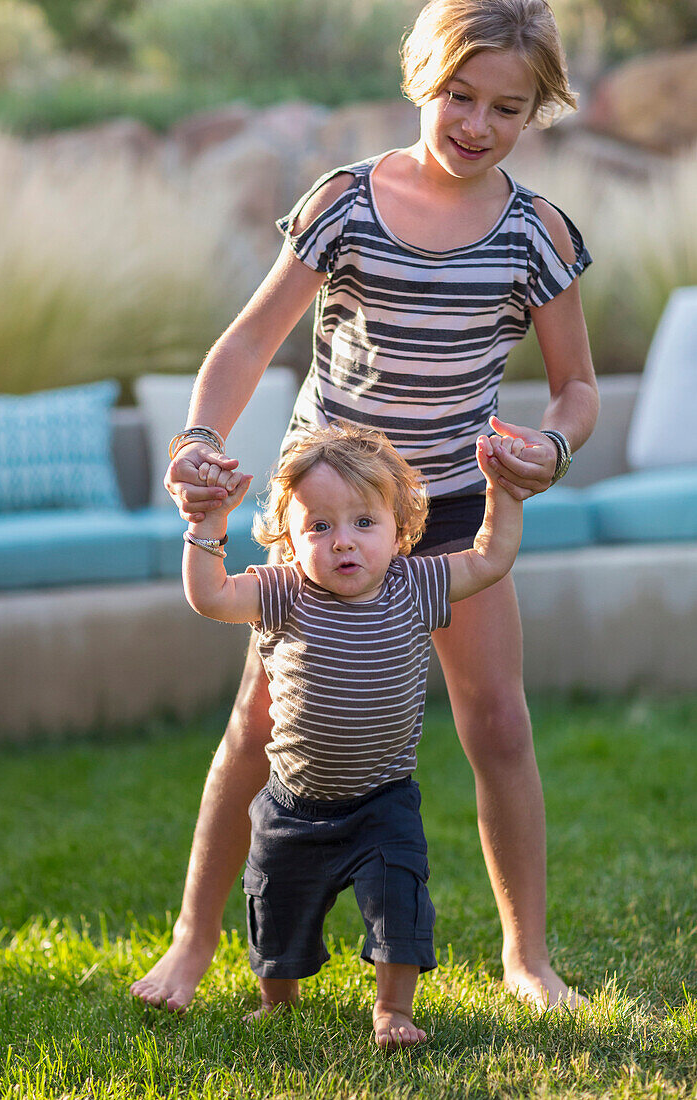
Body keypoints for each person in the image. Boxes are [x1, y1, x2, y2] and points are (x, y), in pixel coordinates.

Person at [130, 0, 599, 1014]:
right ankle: (192, 940)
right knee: (257, 726)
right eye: (457, 96)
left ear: (536, 110)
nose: (474, 124)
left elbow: (576, 386)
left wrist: (549, 446)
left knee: (497, 723)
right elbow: (247, 345)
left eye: (505, 108)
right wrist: (198, 441)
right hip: (333, 509)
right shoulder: (346, 201)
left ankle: (528, 956)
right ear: (420, 78)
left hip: (453, 506)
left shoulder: (536, 233)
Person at [181, 422, 523, 1048]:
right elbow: (209, 596)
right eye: (320, 526)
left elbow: (491, 558)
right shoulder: (284, 592)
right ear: (289, 535)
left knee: (400, 899)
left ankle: (393, 1009)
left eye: (364, 522)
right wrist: (208, 528)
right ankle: (277, 1000)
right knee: (275, 910)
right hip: (293, 805)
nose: (344, 542)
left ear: (401, 528)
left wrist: (503, 491)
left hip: (382, 800)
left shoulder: (416, 585)